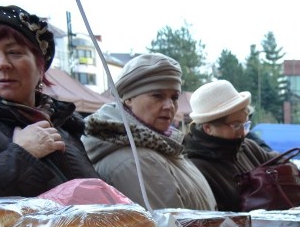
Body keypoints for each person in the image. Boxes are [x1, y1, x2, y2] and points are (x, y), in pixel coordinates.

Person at [82, 53, 216, 211]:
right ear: (128, 99)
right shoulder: (134, 162)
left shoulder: (164, 146)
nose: (169, 106)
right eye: (157, 96)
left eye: (174, 97)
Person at [0, 4, 101, 197]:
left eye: (14, 52)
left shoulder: (65, 126)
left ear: (40, 66)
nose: (1, 64)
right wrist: (21, 155)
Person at [182, 80, 275, 211]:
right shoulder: (194, 166)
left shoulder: (248, 147)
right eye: (235, 125)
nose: (243, 133)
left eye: (245, 125)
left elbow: (279, 162)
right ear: (208, 128)